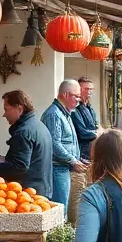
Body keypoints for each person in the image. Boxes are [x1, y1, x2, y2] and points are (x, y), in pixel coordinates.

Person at [0, 90, 53, 197]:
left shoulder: (23, 132)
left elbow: (19, 167)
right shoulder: (39, 126)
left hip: (27, 194)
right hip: (41, 190)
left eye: (6, 109)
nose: (4, 114)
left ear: (19, 108)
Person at [42, 80, 85, 216]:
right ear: (66, 95)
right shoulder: (54, 114)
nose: (79, 100)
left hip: (63, 168)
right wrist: (73, 160)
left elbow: (68, 142)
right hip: (57, 169)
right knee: (60, 212)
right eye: (76, 96)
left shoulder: (64, 113)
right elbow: (55, 144)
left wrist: (78, 159)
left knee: (63, 210)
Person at [71, 76, 100, 160]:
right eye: (86, 89)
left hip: (92, 151)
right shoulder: (75, 108)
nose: (89, 92)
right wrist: (99, 133)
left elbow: (96, 125)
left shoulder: (89, 107)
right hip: (81, 153)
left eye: (90, 89)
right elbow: (82, 133)